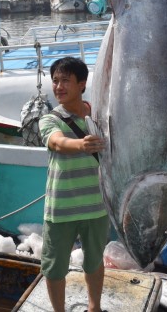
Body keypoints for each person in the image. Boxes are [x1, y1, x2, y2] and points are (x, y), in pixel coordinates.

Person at [37, 57, 108, 312]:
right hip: (61, 208)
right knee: (55, 267)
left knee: (94, 261)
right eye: (55, 81)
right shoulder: (50, 119)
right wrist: (81, 144)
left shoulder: (101, 115)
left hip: (97, 206)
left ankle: (94, 307)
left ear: (82, 84)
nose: (58, 86)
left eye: (65, 80)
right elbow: (56, 142)